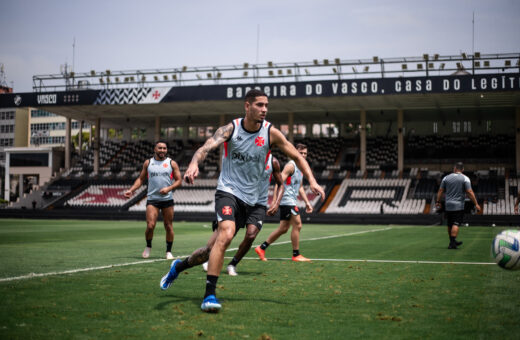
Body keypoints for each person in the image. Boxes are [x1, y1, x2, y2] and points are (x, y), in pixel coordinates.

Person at [159, 89, 325, 313]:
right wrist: (194, 163)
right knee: (226, 234)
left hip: (256, 201)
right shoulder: (231, 129)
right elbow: (206, 147)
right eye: (259, 105)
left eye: (266, 105)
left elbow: (295, 155)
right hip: (229, 192)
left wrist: (312, 181)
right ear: (247, 106)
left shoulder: (270, 133)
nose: (264, 109)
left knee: (222, 246)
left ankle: (179, 266)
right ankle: (209, 294)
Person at [202, 154, 285, 276]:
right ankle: (208, 256)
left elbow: (281, 184)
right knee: (228, 233)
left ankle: (233, 264)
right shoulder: (248, 155)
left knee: (251, 235)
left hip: (259, 204)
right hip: (241, 200)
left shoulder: (273, 162)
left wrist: (276, 203)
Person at [255, 143, 315, 262]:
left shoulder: (302, 168)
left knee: (283, 228)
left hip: (291, 200)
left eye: (305, 153)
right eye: (300, 153)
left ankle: (261, 248)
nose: (303, 155)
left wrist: (307, 202)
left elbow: (301, 187)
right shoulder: (291, 166)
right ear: (295, 152)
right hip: (286, 200)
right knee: (298, 225)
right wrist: (275, 202)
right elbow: (279, 182)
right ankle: (296, 254)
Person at [124, 141, 182, 259]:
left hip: (167, 199)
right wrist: (132, 190)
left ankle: (168, 251)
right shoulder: (148, 163)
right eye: (160, 148)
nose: (162, 150)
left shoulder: (171, 163)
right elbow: (140, 179)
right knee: (150, 226)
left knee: (168, 226)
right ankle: (148, 246)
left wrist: (169, 188)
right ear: (155, 149)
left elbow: (179, 180)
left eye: (164, 148)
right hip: (152, 199)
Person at [435, 162, 481, 249]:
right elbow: (469, 192)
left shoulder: (446, 178)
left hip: (448, 205)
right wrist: (476, 204)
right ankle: (452, 243)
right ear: (462, 169)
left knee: (449, 224)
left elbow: (440, 190)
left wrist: (438, 201)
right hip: (458, 205)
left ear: (454, 169)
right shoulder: (465, 178)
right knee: (456, 224)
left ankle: (452, 241)